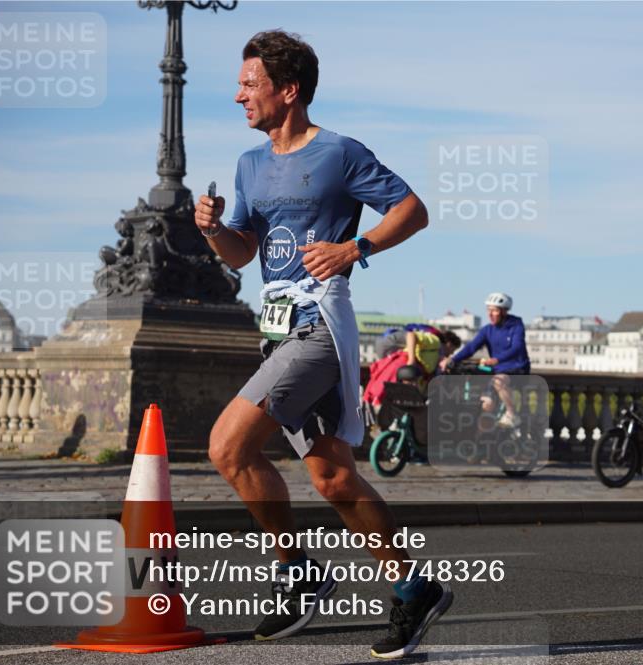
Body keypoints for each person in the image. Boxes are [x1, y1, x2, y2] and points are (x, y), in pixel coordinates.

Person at [193, 31, 450, 659]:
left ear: (289, 90)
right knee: (334, 478)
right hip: (276, 332)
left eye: (249, 84)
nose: (238, 96)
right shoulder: (250, 164)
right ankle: (414, 588)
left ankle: (297, 573)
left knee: (227, 446)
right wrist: (212, 232)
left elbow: (412, 210)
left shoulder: (339, 153)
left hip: (318, 328)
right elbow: (244, 252)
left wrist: (354, 248)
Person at [439, 292, 530, 427]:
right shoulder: (487, 330)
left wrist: (497, 359)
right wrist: (452, 360)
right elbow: (471, 348)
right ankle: (482, 438)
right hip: (498, 370)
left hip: (517, 368)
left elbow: (517, 347)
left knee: (498, 381)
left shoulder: (516, 325)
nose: (490, 314)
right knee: (485, 404)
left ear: (504, 311)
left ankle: (512, 415)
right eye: (489, 310)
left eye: (494, 311)